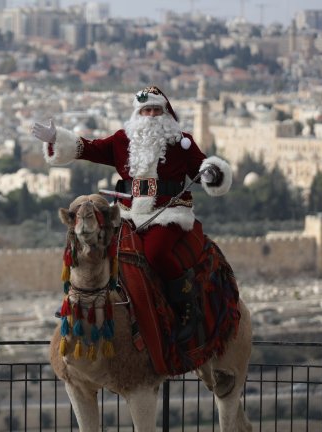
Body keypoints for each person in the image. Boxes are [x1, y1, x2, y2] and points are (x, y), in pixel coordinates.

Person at [32, 85, 233, 339]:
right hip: (128, 212)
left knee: (156, 253)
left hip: (168, 213)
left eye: (156, 110)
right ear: (138, 113)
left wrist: (212, 172)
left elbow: (202, 168)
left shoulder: (182, 142)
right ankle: (79, 302)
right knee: (93, 245)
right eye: (146, 110)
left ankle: (185, 305)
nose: (151, 115)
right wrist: (56, 139)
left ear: (166, 113)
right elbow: (88, 148)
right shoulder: (121, 140)